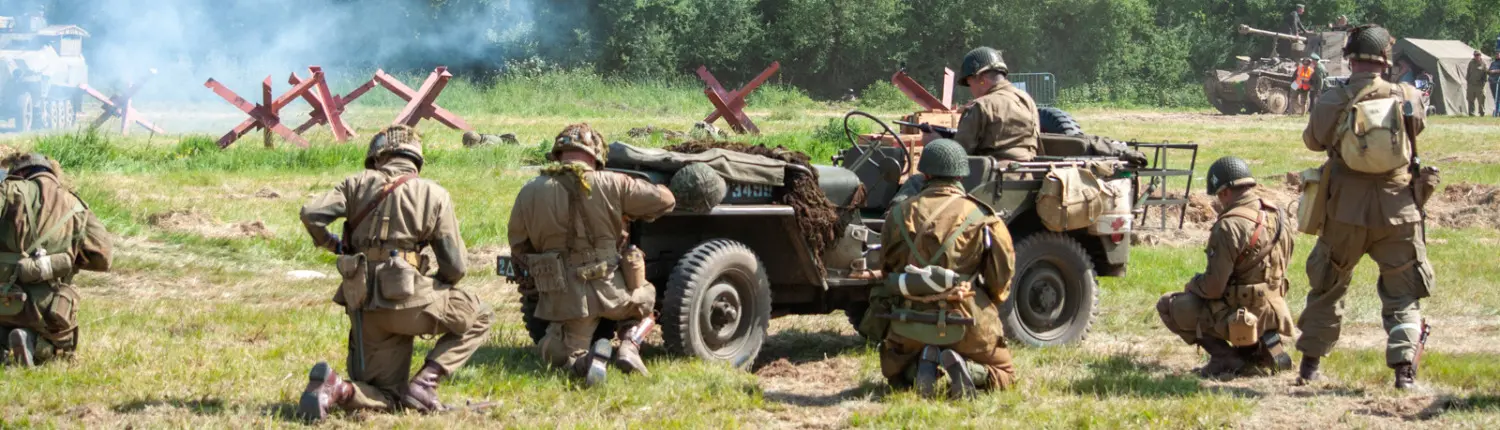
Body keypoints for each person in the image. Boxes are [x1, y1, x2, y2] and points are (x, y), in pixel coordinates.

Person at [296, 125, 494, 421]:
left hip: (363, 307)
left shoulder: (355, 184)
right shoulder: (433, 193)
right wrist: (433, 289)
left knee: (385, 393)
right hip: (410, 301)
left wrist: (332, 244)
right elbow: (456, 266)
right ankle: (425, 385)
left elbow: (311, 213)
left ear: (378, 158)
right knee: (481, 314)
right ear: (416, 159)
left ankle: (336, 389)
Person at [1299, 24, 1435, 390]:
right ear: (1386, 59)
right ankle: (1404, 372)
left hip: (1345, 209)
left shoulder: (1334, 98)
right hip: (1399, 209)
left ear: (1350, 58)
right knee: (1403, 291)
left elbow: (1313, 141)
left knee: (1328, 285)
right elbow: (1416, 130)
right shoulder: (1407, 94)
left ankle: (1310, 366)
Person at [508, 123, 675, 386]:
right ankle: (630, 344)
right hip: (613, 290)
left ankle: (587, 362)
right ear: (596, 155)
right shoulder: (614, 183)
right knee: (645, 299)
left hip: (566, 297)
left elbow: (519, 247)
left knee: (559, 352)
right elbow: (665, 201)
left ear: (558, 153)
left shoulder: (530, 191)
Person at [864, 139, 1016, 399]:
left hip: (908, 321)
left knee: (897, 377)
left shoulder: (898, 213)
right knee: (1005, 374)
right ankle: (968, 368)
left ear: (925, 174)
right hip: (965, 319)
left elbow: (886, 271)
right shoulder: (982, 216)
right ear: (961, 174)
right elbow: (1000, 280)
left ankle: (921, 365)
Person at [1157, 157, 1296, 380]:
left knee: (1169, 304)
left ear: (1224, 193)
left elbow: (1213, 287)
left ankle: (1226, 357)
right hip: (1275, 309)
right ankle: (1259, 348)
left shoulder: (1229, 226)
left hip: (1243, 313)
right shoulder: (1279, 215)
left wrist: (1193, 285)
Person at [0, 154, 111, 367]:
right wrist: (64, 258)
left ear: (21, 173)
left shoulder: (8, 191)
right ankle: (32, 342)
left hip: (3, 298)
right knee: (60, 348)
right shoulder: (76, 206)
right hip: (45, 310)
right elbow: (103, 258)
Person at [953, 47, 1040, 162]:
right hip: (1028, 173)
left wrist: (935, 141)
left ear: (981, 79)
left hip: (991, 177)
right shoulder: (1027, 100)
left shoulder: (981, 106)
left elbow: (957, 155)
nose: (971, 90)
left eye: (970, 84)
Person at [1467, 50, 1488, 116]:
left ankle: (1482, 113)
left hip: (1480, 85)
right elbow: (1468, 72)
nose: (1477, 56)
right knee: (1470, 100)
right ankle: (1471, 113)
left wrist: (1483, 83)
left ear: (1480, 55)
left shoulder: (1483, 64)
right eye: (1475, 55)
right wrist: (1468, 81)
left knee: (1481, 100)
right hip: (1471, 85)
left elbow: (1485, 74)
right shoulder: (1471, 63)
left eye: (1478, 55)